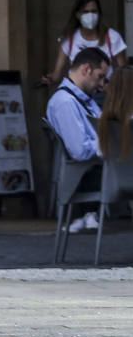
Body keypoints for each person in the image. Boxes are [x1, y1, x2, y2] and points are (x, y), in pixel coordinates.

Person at [48, 47, 109, 233]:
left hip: (98, 168)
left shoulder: (85, 100)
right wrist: (111, 144)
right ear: (86, 70)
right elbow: (79, 150)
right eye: (100, 76)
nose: (101, 84)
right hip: (86, 174)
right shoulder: (65, 102)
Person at [42, 0, 127, 87]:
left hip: (105, 93)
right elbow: (57, 74)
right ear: (77, 14)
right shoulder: (68, 39)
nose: (90, 15)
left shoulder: (112, 37)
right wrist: (50, 79)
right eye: (85, 12)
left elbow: (123, 73)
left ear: (99, 14)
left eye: (94, 11)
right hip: (78, 92)